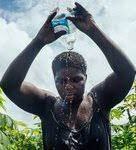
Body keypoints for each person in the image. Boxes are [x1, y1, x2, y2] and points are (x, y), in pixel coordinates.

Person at [0, 2, 135, 150]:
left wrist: (93, 30)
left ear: (86, 78)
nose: (69, 85)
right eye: (61, 81)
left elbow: (127, 73)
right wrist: (38, 42)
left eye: (76, 79)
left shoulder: (99, 100)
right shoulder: (46, 105)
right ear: (54, 80)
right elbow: (9, 85)